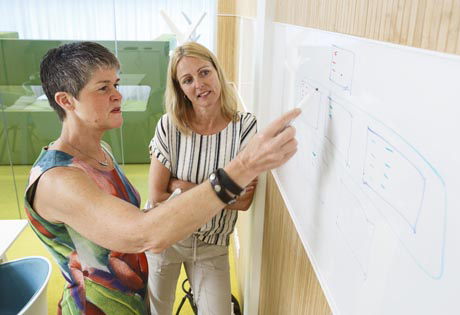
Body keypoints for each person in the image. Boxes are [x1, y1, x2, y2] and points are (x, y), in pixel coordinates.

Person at [24, 41, 300, 315]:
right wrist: (243, 166)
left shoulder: (100, 153)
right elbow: (144, 234)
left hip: (137, 300)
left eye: (116, 85)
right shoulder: (57, 180)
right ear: (66, 101)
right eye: (103, 87)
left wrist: (180, 186)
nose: (118, 95)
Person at [146, 42, 257, 315]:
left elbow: (244, 201)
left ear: (217, 71)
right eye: (187, 79)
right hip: (166, 237)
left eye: (204, 72)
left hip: (213, 244)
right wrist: (219, 190)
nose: (199, 84)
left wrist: (180, 186)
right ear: (180, 88)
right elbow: (158, 196)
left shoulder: (245, 128)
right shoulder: (169, 126)